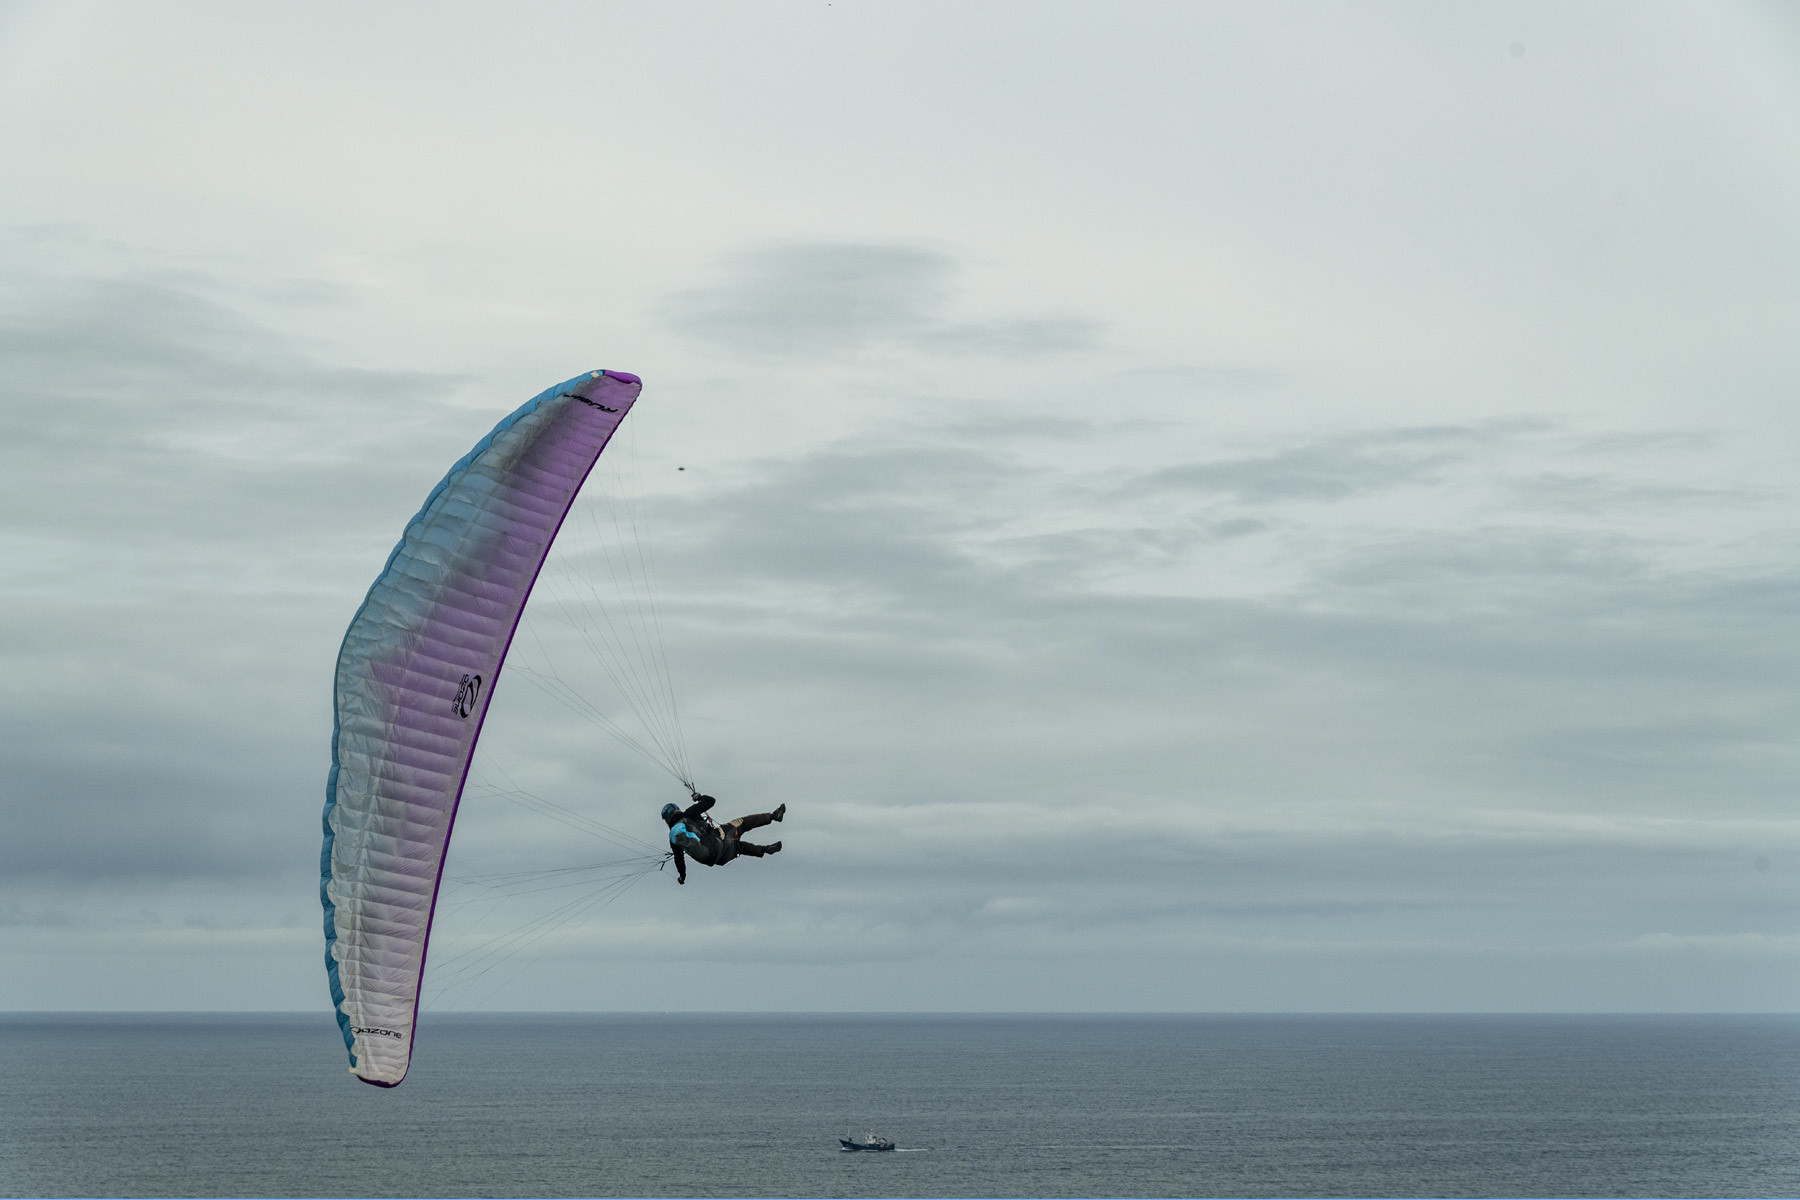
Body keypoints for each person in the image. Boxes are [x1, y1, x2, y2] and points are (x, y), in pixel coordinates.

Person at [662, 794, 785, 884]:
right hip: (719, 841)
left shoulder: (674, 837)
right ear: (677, 810)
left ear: (667, 820)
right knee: (743, 823)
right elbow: (711, 801)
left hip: (717, 858)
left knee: (738, 847)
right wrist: (699, 797)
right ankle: (773, 817)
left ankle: (765, 849)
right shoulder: (689, 813)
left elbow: (679, 859)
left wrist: (682, 876)